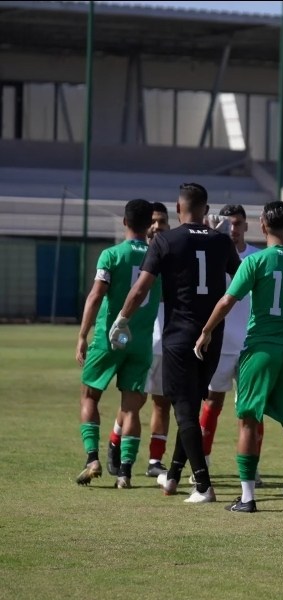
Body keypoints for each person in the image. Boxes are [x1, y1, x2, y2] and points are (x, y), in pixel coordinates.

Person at [195, 201, 283, 512]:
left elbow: (229, 300)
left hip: (261, 349)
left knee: (248, 421)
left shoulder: (257, 261)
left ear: (263, 225)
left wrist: (206, 330)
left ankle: (247, 497)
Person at [112, 182, 241, 503]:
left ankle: (202, 485)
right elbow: (241, 281)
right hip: (212, 335)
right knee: (191, 407)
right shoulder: (222, 242)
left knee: (183, 411)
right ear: (207, 209)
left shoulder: (166, 241)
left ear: (177, 208)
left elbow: (141, 288)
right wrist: (222, 242)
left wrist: (122, 318)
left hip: (180, 336)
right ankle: (172, 477)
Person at [75, 199, 162, 489]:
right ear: (149, 224)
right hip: (141, 342)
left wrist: (82, 335)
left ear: (125, 222)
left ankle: (92, 459)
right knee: (131, 408)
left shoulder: (111, 255)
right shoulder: (157, 256)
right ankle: (125, 473)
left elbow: (96, 296)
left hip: (109, 338)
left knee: (89, 396)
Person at [197, 204, 259, 478]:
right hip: (221, 343)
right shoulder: (211, 255)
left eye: (238, 224)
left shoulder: (257, 257)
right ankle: (203, 461)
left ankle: (251, 467)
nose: (233, 229)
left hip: (249, 345)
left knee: (252, 410)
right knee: (212, 402)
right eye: (228, 224)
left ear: (247, 226)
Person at [143, 202, 172, 477]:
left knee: (162, 402)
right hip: (140, 338)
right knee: (133, 398)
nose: (155, 226)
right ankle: (120, 456)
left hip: (167, 340)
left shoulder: (173, 254)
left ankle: (155, 461)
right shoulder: (136, 256)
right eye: (151, 221)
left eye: (161, 221)